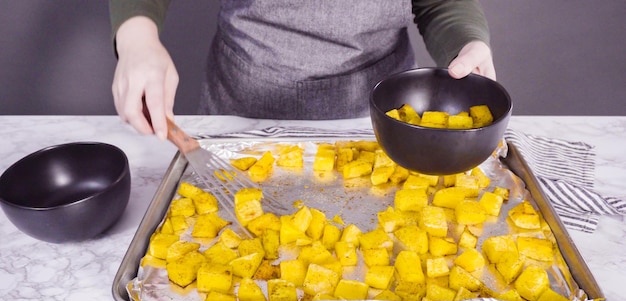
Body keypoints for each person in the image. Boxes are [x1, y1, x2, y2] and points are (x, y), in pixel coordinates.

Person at [109, 0, 496, 140]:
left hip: (378, 119)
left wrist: (465, 42)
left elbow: (441, 2)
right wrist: (136, 38)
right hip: (245, 103)